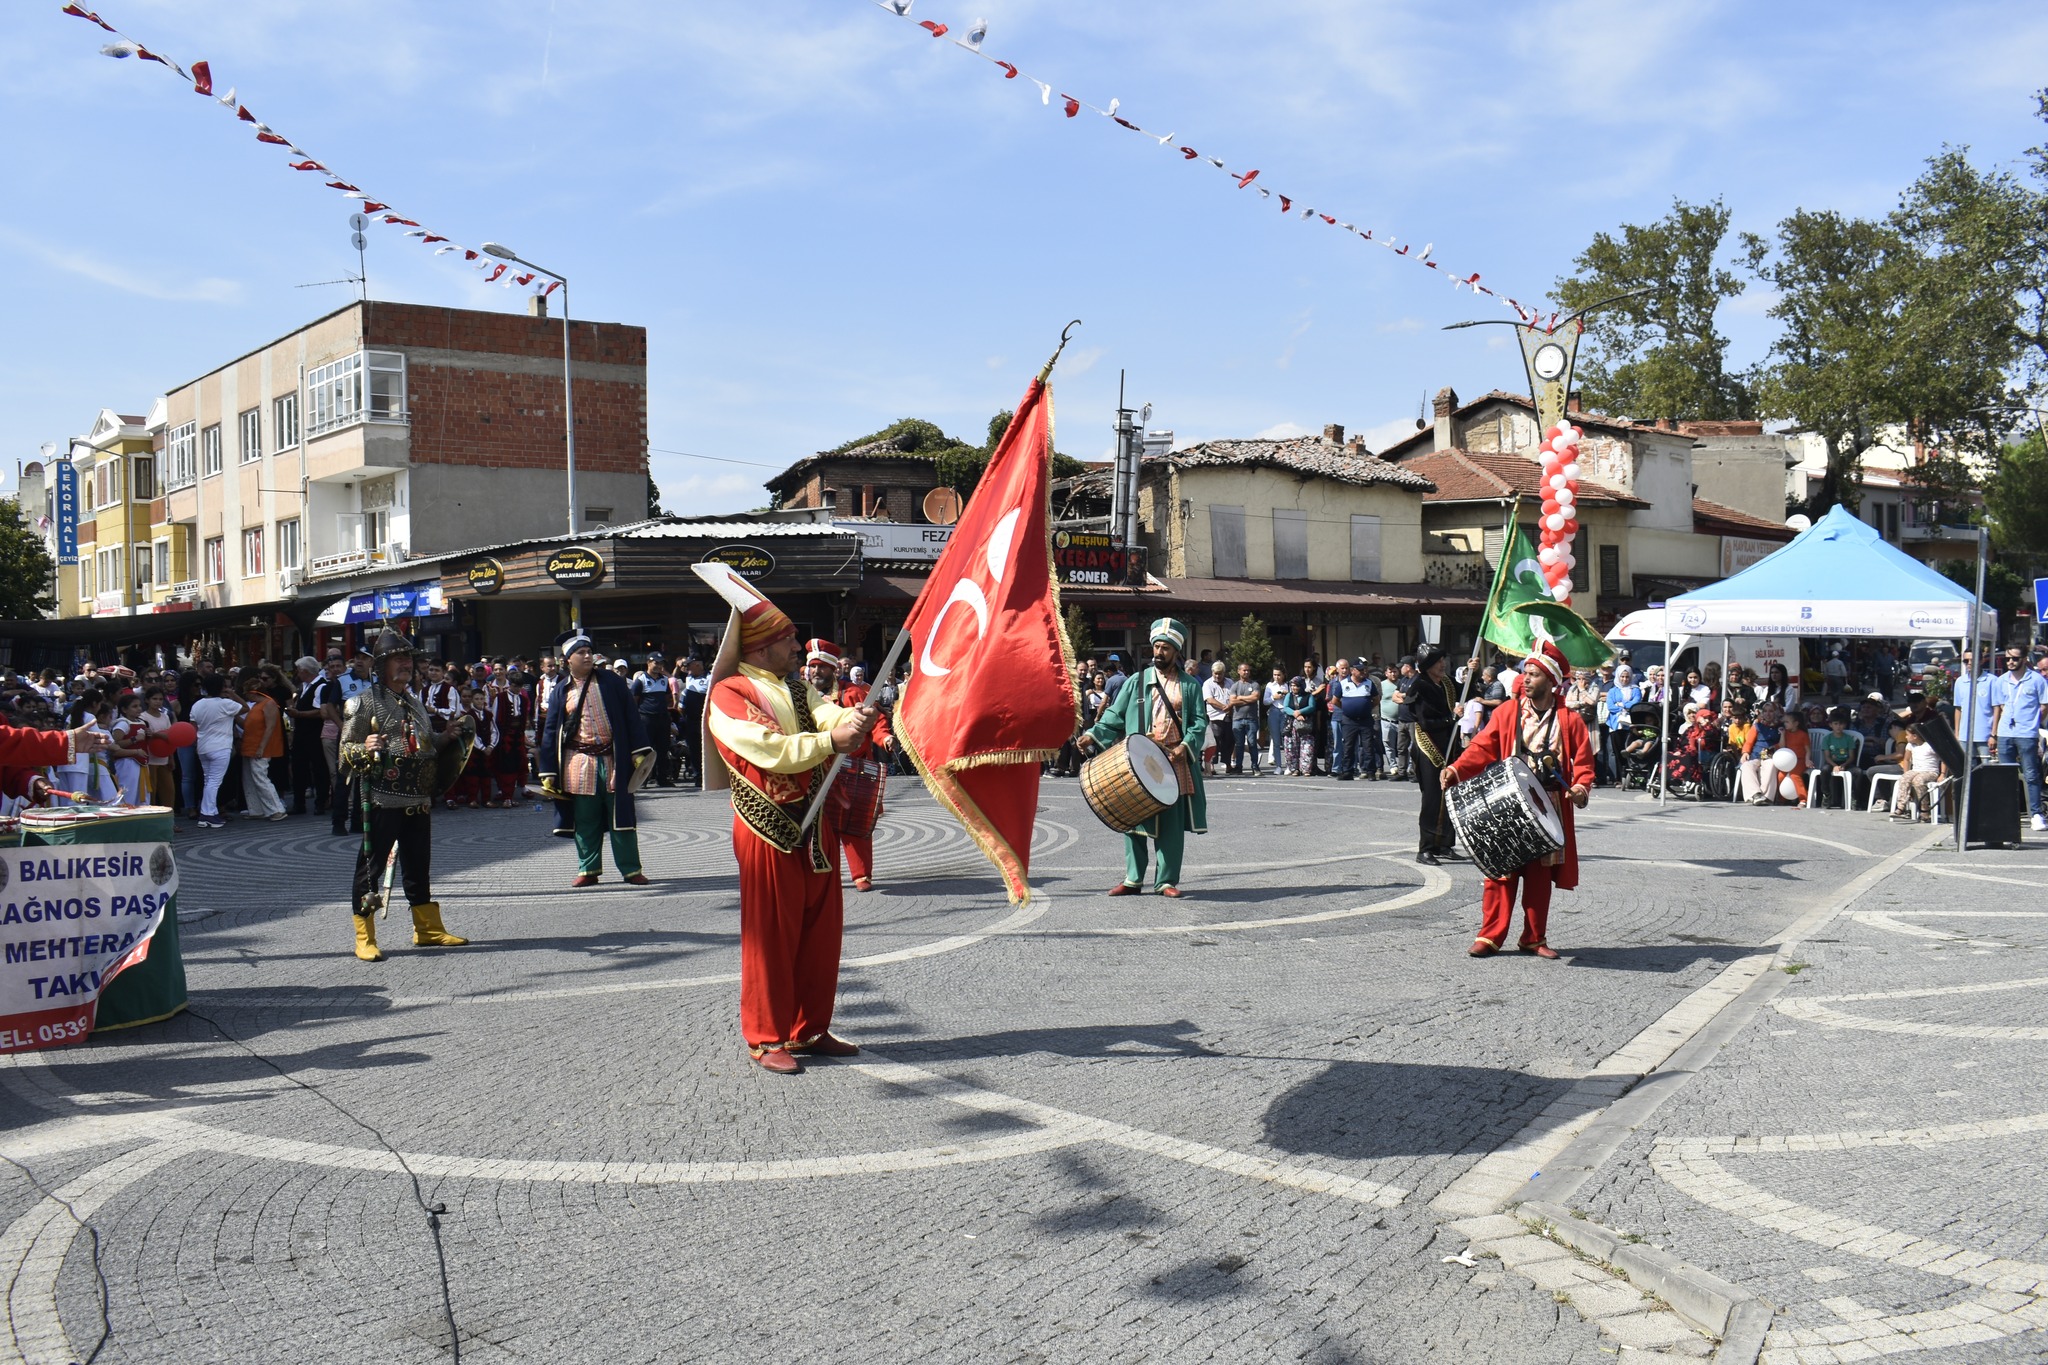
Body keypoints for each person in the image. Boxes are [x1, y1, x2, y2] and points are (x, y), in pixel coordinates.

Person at [698, 568, 877, 1074]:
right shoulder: (730, 693)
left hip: (815, 823)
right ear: (762, 646)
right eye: (789, 638)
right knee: (770, 935)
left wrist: (851, 722)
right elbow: (768, 750)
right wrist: (830, 742)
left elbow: (827, 716)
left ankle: (810, 1028)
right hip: (766, 826)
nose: (798, 645)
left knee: (822, 932)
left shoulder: (796, 689)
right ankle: (764, 1036)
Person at [1442, 640, 1595, 959]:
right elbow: (1483, 746)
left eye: (1534, 674)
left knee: (1539, 877)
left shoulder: (1570, 720)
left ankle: (1534, 938)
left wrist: (1581, 787)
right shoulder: (1508, 712)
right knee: (1501, 870)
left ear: (1551, 682)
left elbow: (1583, 763)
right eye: (1525, 673)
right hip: (1507, 800)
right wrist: (1457, 768)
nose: (1525, 679)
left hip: (1550, 806)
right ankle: (1489, 936)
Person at [337, 629, 476, 962]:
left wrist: (446, 737)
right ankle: (365, 936)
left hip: (419, 799)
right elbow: (344, 755)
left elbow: (424, 747)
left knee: (419, 866)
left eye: (408, 659)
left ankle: (427, 929)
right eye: (398, 659)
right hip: (383, 798)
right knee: (370, 870)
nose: (405, 665)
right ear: (381, 665)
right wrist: (364, 746)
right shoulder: (361, 702)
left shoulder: (414, 701)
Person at [1078, 618, 1207, 897]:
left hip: (1173, 761)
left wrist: (1186, 746)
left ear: (1176, 652)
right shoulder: (1136, 681)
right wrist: (1093, 734)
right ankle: (1133, 879)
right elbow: (1114, 715)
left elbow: (1198, 722)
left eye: (1165, 649)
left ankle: (1166, 882)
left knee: (1171, 826)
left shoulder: (1190, 686)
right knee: (1133, 818)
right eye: (1156, 647)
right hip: (1137, 759)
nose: (1159, 653)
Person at [539, 631, 656, 886]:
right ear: (567, 659)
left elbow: (631, 717)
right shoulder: (560, 691)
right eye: (581, 653)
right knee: (585, 819)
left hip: (614, 759)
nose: (588, 656)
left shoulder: (612, 682)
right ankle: (588, 870)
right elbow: (550, 731)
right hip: (578, 762)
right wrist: (547, 770)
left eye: (589, 651)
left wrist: (639, 752)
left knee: (621, 817)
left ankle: (631, 869)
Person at [811, 640, 894, 892]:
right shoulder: (800, 694)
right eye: (812, 667)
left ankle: (861, 875)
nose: (816, 672)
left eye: (822, 667)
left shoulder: (853, 693)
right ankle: (823, 873)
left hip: (855, 769)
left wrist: (884, 737)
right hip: (818, 769)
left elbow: (876, 720)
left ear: (834, 670)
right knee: (820, 826)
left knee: (856, 823)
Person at [1402, 650, 1461, 865]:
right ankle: (1425, 849)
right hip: (1428, 746)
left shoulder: (1447, 683)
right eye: (1437, 662)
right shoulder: (1420, 686)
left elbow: (1468, 691)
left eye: (1442, 660)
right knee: (1432, 797)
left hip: (1448, 745)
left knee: (1449, 795)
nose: (1442, 664)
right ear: (1427, 666)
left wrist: (1472, 670)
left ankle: (1444, 844)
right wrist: (1451, 718)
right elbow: (1425, 722)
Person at [1989, 647, 2048, 831]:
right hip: (2006, 732)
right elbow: (1998, 706)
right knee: (2007, 775)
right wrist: (1994, 733)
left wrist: (2034, 722)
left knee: (2031, 774)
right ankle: (2008, 812)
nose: (2010, 662)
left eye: (2014, 658)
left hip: (2026, 733)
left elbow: (2045, 704)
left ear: (2024, 659)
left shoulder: (2036, 680)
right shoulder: (2001, 681)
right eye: (2007, 659)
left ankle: (2036, 814)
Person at [188, 674, 242, 829]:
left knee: (208, 781)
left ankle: (207, 813)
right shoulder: (226, 703)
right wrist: (232, 693)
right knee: (214, 782)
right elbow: (244, 708)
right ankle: (208, 814)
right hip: (220, 747)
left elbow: (193, 726)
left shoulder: (197, 704)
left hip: (203, 747)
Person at [239, 680, 288, 820]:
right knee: (250, 778)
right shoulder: (257, 705)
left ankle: (277, 809)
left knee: (260, 777)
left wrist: (261, 747)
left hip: (260, 746)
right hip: (251, 745)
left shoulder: (269, 704)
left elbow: (270, 727)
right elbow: (248, 726)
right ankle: (256, 809)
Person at [631, 654, 679, 787]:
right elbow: (634, 700)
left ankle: (662, 778)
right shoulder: (641, 680)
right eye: (655, 663)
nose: (658, 666)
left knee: (663, 750)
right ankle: (643, 780)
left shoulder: (664, 680)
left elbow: (668, 697)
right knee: (646, 750)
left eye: (660, 663)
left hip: (662, 719)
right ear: (648, 663)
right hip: (646, 719)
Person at [1331, 660, 1376, 780]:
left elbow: (1376, 699)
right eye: (1360, 670)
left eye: (1364, 669)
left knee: (1368, 747)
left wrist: (1365, 708)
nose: (1363, 672)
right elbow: (1334, 700)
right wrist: (1346, 708)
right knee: (1348, 747)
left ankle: (1370, 771)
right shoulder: (1343, 683)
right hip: (1349, 720)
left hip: (1365, 720)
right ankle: (1347, 771)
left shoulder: (1369, 683)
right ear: (1353, 670)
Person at [1892, 724, 1946, 823]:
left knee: (1918, 781)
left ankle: (1924, 808)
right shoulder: (1910, 745)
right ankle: (1901, 806)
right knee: (1904, 778)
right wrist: (1906, 772)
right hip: (1916, 770)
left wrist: (1942, 774)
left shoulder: (1930, 745)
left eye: (1907, 735)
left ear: (1915, 736)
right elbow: (1907, 759)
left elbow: (1943, 759)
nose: (1906, 737)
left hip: (1930, 772)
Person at [1381, 658, 1414, 780]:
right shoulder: (1403, 681)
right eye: (1392, 671)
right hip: (1396, 720)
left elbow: (1413, 697)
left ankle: (1413, 770)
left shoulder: (1414, 680)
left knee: (1413, 747)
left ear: (1408, 667)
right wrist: (1405, 699)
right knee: (1398, 747)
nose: (1396, 672)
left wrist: (1403, 697)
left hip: (1411, 719)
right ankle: (1400, 771)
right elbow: (1395, 697)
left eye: (1398, 669)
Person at [1228, 662, 1262, 775]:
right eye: (1244, 670)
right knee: (1239, 744)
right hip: (1237, 719)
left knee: (1252, 743)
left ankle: (1255, 766)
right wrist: (1248, 699)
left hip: (1251, 719)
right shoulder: (1235, 686)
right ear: (1239, 671)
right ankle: (1238, 767)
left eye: (1248, 670)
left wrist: (1241, 697)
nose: (1246, 672)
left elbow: (1255, 698)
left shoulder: (1255, 684)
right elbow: (1232, 701)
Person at [1280, 676, 1316, 776]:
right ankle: (1294, 768)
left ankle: (1305, 769)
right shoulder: (1289, 696)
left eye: (1296, 686)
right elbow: (1286, 707)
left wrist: (1300, 712)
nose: (1294, 688)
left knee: (1307, 747)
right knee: (1291, 748)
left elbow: (1312, 706)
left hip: (1305, 725)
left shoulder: (1308, 696)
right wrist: (1295, 714)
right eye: (1292, 686)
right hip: (1291, 726)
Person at [1201, 660, 1232, 776]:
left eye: (1220, 673)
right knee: (1214, 743)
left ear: (1224, 673)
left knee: (1229, 741)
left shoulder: (1230, 682)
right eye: (1216, 673)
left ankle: (1228, 764)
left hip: (1228, 716)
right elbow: (1209, 700)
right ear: (1212, 672)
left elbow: (1233, 696)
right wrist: (1224, 707)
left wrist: (1230, 706)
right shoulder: (1208, 684)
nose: (1218, 676)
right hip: (1215, 716)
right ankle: (1212, 766)